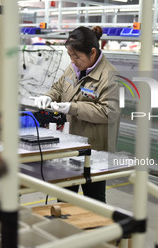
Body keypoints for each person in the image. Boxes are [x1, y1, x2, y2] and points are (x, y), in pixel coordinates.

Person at [34, 26, 121, 202]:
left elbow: (109, 112)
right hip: (69, 145)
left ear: (93, 52)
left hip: (94, 148)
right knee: (65, 196)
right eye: (70, 55)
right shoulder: (73, 68)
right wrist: (47, 97)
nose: (73, 61)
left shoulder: (109, 76)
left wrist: (73, 107)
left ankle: (97, 229)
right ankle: (64, 227)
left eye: (77, 56)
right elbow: (59, 87)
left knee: (93, 198)